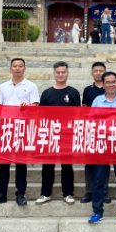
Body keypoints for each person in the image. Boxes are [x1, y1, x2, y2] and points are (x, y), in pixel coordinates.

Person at [0, 58, 40, 207]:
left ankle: (20, 194)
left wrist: (27, 106)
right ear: (10, 68)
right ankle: (1, 194)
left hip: (22, 128)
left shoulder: (31, 86)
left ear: (25, 68)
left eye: (20, 66)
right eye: (15, 66)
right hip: (6, 128)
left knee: (21, 163)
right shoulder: (3, 86)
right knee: (3, 163)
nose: (17, 68)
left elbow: (35, 107)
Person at [89, 71, 116, 224]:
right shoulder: (97, 101)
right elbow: (91, 122)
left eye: (113, 82)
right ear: (103, 84)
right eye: (107, 82)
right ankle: (97, 211)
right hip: (103, 145)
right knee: (99, 180)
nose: (111, 85)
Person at [36, 61, 80, 205]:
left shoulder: (73, 92)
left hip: (67, 134)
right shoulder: (47, 93)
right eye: (58, 72)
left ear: (67, 73)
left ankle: (68, 193)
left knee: (67, 165)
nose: (60, 75)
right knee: (47, 164)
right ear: (54, 74)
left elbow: (78, 114)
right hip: (50, 134)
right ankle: (45, 193)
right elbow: (41, 115)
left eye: (63, 72)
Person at [81, 62, 110, 204]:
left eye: (101, 70)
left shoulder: (110, 89)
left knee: (104, 162)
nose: (98, 73)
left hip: (107, 131)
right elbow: (84, 110)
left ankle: (103, 192)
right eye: (96, 71)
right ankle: (89, 191)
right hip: (91, 130)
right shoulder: (87, 90)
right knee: (90, 162)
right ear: (92, 73)